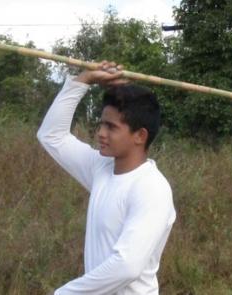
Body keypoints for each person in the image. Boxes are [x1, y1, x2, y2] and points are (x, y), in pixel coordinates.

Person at [37, 61, 176, 294]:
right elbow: (52, 135)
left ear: (140, 136)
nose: (101, 133)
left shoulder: (151, 188)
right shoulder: (101, 168)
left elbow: (126, 266)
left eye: (111, 127)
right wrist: (84, 80)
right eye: (102, 124)